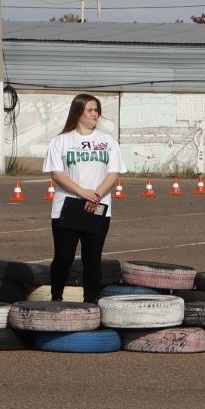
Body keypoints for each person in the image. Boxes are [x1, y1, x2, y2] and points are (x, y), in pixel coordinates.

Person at [43, 93, 124, 301]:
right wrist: (82, 192)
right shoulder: (61, 141)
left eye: (96, 110)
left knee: (92, 259)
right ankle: (56, 298)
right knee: (63, 258)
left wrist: (95, 195)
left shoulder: (107, 141)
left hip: (98, 206)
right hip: (66, 207)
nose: (95, 114)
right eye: (90, 110)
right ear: (78, 112)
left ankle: (90, 304)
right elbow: (56, 173)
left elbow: (113, 172)